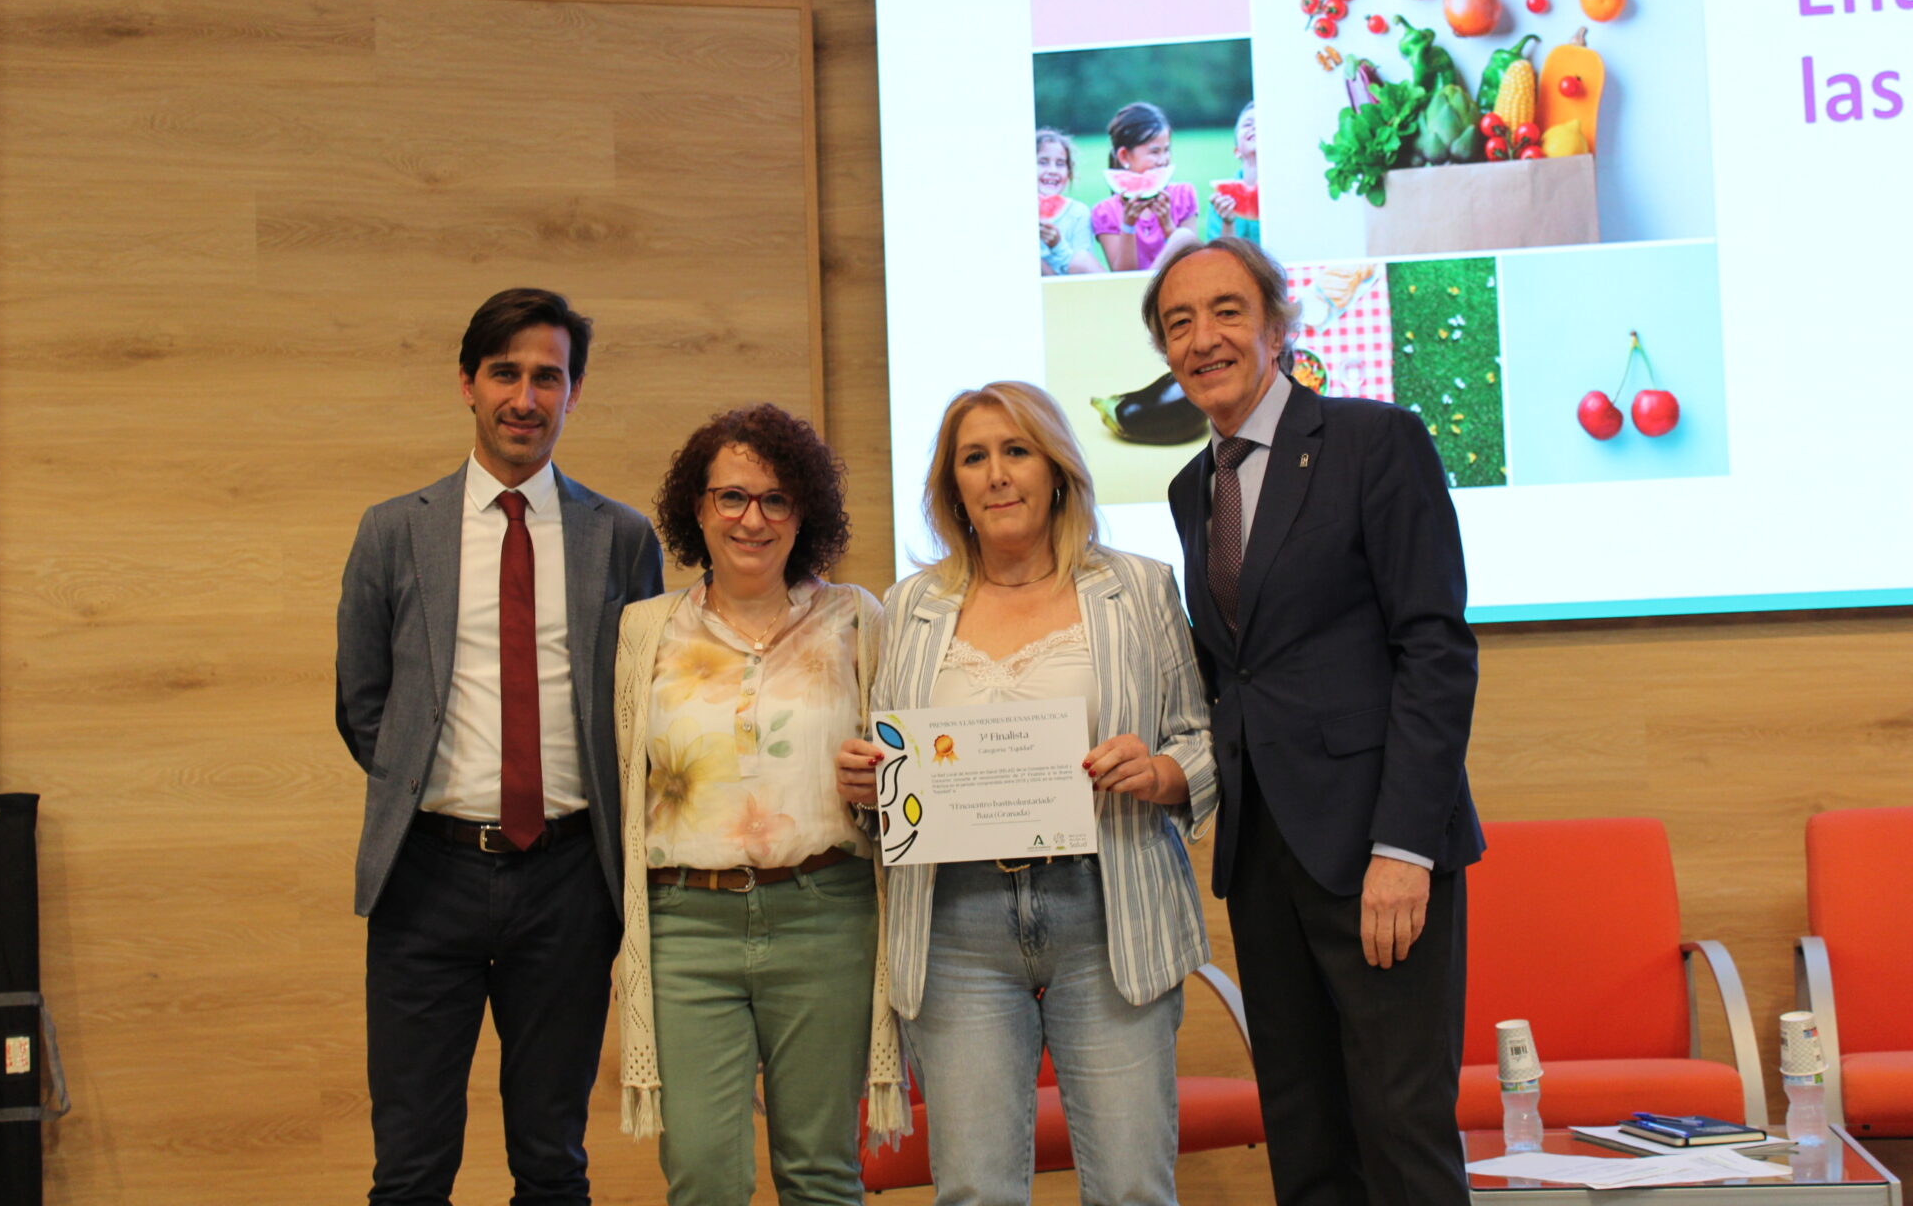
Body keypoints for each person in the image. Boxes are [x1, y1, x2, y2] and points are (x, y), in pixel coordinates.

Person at [1144, 236, 1484, 1206]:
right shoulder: (1191, 487)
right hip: (1263, 859)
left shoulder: (1376, 442)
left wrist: (1404, 848)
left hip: (1378, 850)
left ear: (1279, 324)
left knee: (1402, 1132)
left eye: (1226, 310)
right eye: (1179, 323)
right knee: (1305, 1135)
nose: (1204, 338)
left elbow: (1435, 649)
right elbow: (1237, 670)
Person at [837, 381, 1215, 1206]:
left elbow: (1201, 736)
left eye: (1017, 451)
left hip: (1108, 912)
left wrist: (1162, 773)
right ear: (953, 485)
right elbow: (891, 771)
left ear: (1057, 471)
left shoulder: (1139, 587)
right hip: (955, 926)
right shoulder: (911, 606)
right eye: (975, 457)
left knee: (1132, 1190)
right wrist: (867, 784)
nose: (998, 474)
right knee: (976, 1191)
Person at [336, 287, 664, 1204]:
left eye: (547, 377)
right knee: (409, 1170)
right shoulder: (395, 531)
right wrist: (427, 785)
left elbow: (642, 703)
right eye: (504, 374)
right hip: (424, 880)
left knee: (553, 1163)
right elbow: (364, 705)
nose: (526, 398)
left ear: (574, 392)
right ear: (467, 384)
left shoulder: (621, 538)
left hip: (569, 883)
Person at [613, 404, 906, 1205]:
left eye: (776, 499)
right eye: (732, 497)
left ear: (804, 514)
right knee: (703, 1177)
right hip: (684, 929)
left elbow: (909, 786)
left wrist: (881, 790)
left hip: (826, 918)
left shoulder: (859, 619)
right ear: (698, 508)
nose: (753, 518)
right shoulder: (644, 631)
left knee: (820, 1174)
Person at [1090, 101, 1201, 273]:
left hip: (1177, 282)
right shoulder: (1105, 211)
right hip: (1133, 288)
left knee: (1183, 236)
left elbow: (1192, 263)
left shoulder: (1183, 195)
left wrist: (1167, 225)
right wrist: (1128, 226)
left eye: (1167, 150)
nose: (1163, 160)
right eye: (1154, 152)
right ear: (1124, 156)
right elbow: (1122, 275)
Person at [1037, 127, 1105, 276]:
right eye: (1043, 162)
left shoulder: (1078, 213)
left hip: (1074, 287)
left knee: (1082, 258)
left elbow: (1082, 267)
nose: (1053, 170)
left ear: (1069, 173)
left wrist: (1057, 246)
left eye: (1060, 163)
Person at [1201, 101, 1260, 244]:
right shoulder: (1222, 200)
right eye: (1248, 124)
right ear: (1237, 151)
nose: (1255, 127)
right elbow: (1220, 255)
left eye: (1262, 123)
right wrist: (1228, 222)